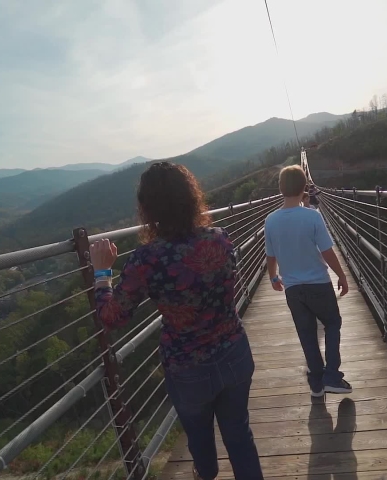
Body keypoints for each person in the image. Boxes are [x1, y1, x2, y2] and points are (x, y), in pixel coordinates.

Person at [90, 162, 263, 480]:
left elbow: (112, 317)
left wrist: (102, 274)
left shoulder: (147, 259)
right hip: (235, 352)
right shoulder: (220, 238)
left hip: (188, 368)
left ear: (147, 209)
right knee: (240, 436)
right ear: (191, 198)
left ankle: (206, 473)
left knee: (199, 441)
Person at [264, 165, 352, 398]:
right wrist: (341, 276)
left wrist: (274, 276)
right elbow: (327, 252)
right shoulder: (312, 216)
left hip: (293, 289)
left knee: (306, 333)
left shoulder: (270, 220)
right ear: (304, 188)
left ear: (281, 188)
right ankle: (332, 375)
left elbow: (270, 256)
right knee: (332, 323)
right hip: (318, 285)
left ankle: (317, 383)